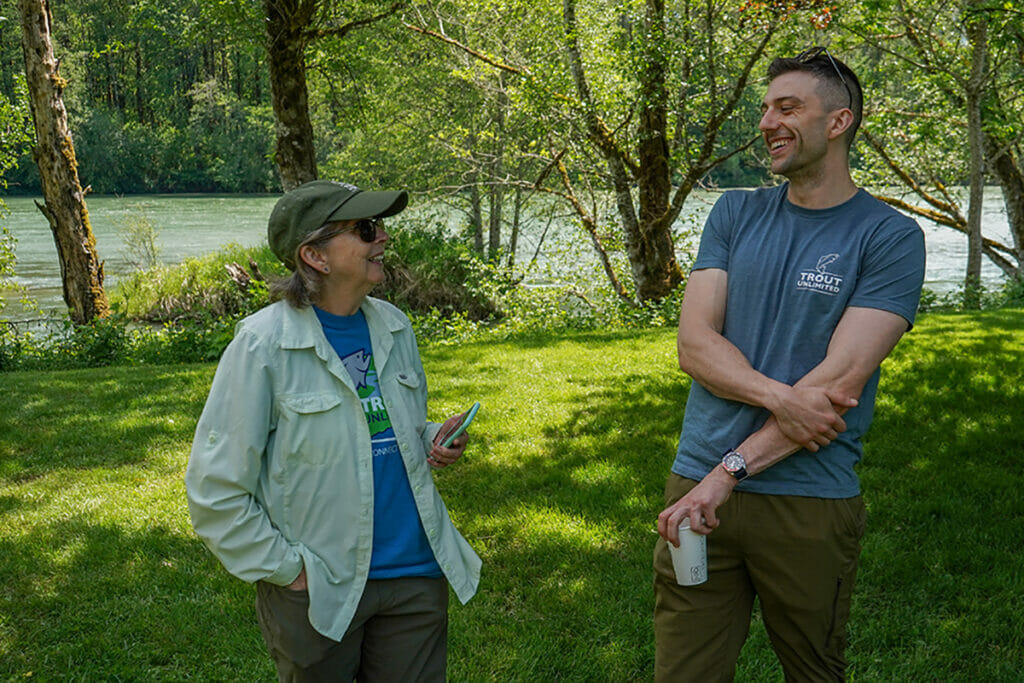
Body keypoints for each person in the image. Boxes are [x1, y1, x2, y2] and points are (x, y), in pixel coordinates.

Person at [653, 47, 926, 681]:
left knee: (813, 670)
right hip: (694, 486)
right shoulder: (734, 212)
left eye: (788, 107)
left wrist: (730, 471)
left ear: (838, 122)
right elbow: (694, 345)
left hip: (807, 495)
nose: (768, 122)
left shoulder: (887, 236)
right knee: (683, 673)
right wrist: (781, 399)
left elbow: (836, 385)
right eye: (765, 108)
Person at [185, 180, 481, 681]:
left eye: (380, 226)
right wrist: (288, 571)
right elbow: (215, 491)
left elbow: (378, 426)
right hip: (322, 586)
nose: (382, 238)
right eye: (366, 229)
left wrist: (430, 436)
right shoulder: (262, 346)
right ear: (315, 256)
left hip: (416, 573)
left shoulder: (394, 326)